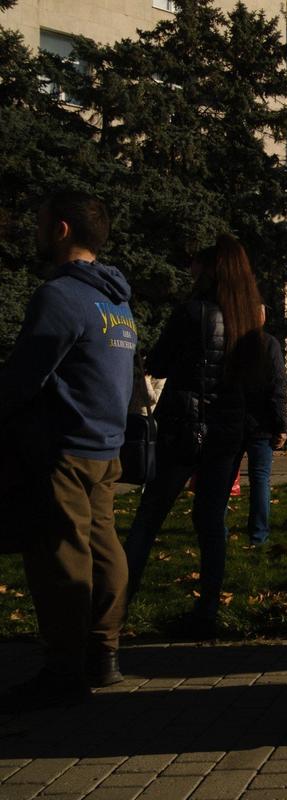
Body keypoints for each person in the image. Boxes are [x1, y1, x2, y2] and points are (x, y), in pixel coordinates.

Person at [0, 191, 136, 711]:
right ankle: (103, 655)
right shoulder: (117, 300)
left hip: (63, 447)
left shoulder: (59, 296)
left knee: (61, 558)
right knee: (104, 549)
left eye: (39, 222)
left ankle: (63, 667)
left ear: (59, 230)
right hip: (105, 444)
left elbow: (24, 376)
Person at [122, 235, 267, 641]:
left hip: (183, 427)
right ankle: (207, 611)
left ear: (210, 270)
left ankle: (116, 605)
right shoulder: (247, 320)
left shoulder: (191, 313)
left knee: (149, 516)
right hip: (225, 433)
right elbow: (253, 383)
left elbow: (162, 362)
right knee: (211, 522)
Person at [238, 308, 287, 545]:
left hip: (235, 420)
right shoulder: (270, 345)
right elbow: (278, 386)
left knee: (226, 478)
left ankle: (216, 529)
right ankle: (258, 534)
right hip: (261, 424)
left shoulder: (233, 343)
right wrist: (280, 425)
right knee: (260, 479)